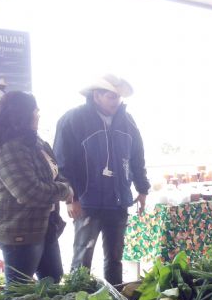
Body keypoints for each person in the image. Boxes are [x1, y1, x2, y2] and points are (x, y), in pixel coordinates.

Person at [53, 74, 150, 285]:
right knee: (82, 258)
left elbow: (137, 156)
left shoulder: (128, 121)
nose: (117, 101)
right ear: (97, 95)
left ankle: (115, 299)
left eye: (118, 97)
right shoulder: (73, 119)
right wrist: (71, 198)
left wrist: (142, 189)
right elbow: (62, 162)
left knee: (115, 258)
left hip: (118, 201)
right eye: (112, 96)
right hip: (86, 202)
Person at [0, 91, 73, 285]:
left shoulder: (34, 141)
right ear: (21, 115)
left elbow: (54, 172)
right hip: (18, 230)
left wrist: (64, 185)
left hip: (43, 225)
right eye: (34, 110)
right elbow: (30, 193)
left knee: (52, 279)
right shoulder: (8, 147)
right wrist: (65, 191)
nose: (38, 114)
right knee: (17, 291)